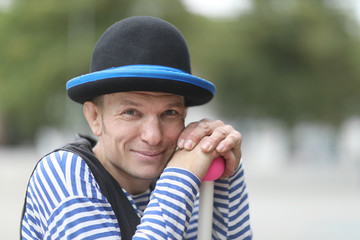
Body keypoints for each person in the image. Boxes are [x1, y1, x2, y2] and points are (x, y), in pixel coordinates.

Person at [21, 16, 252, 239]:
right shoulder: (62, 171)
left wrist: (225, 174)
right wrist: (182, 175)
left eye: (169, 113)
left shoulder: (189, 177)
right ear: (94, 117)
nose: (153, 137)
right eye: (131, 112)